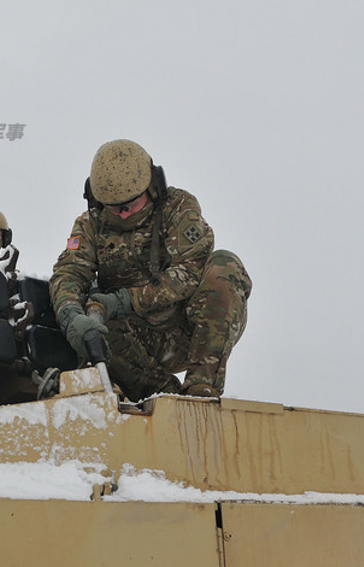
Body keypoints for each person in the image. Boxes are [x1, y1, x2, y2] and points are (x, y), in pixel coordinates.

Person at [49, 140, 252, 400]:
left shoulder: (178, 207)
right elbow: (68, 273)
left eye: (130, 205)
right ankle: (164, 395)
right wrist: (70, 317)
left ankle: (202, 386)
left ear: (153, 188)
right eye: (114, 207)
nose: (122, 215)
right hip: (136, 343)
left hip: (190, 329)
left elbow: (190, 271)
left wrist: (125, 300)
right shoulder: (90, 224)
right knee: (97, 320)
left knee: (226, 265)